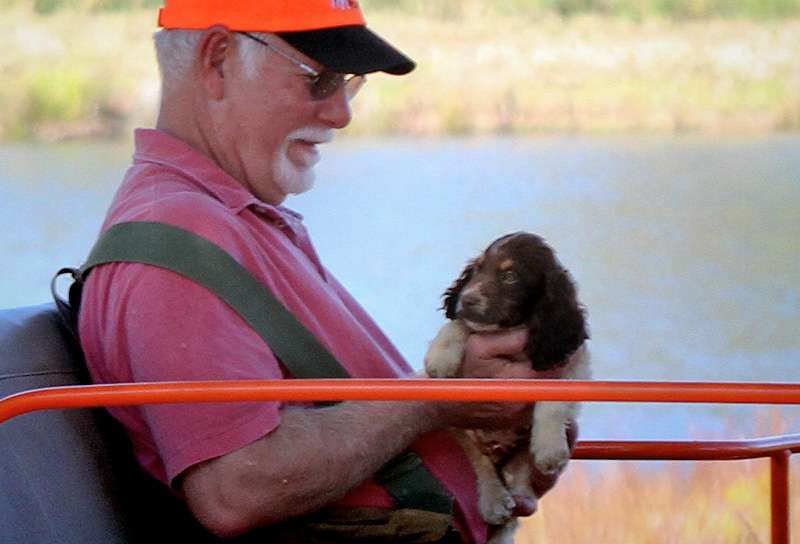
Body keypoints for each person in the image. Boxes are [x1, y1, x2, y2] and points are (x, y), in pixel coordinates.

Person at [77, 2, 574, 542]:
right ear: (217, 60)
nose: (341, 114)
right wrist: (441, 396)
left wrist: (513, 426)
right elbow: (236, 489)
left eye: (349, 83)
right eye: (321, 78)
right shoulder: (180, 234)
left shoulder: (238, 219)